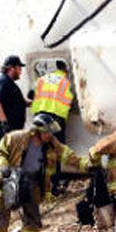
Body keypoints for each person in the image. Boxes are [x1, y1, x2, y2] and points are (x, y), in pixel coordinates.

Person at [0, 113, 89, 232]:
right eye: (47, 132)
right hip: (9, 178)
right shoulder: (16, 138)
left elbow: (68, 156)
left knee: (32, 213)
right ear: (37, 131)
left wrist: (86, 164)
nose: (50, 135)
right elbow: (0, 152)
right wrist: (3, 168)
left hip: (32, 181)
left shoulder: (51, 143)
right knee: (1, 213)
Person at [30, 61, 75, 196]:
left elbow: (33, 97)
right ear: (65, 69)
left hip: (39, 119)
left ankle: (38, 187)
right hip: (54, 120)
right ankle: (53, 188)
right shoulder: (65, 81)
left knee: (41, 152)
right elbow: (69, 102)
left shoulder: (42, 79)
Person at [0, 55, 29, 149]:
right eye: (19, 68)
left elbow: (21, 103)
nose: (21, 71)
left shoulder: (10, 84)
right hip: (3, 133)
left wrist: (37, 101)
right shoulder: (2, 82)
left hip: (12, 133)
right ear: (12, 68)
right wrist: (5, 124)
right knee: (6, 162)